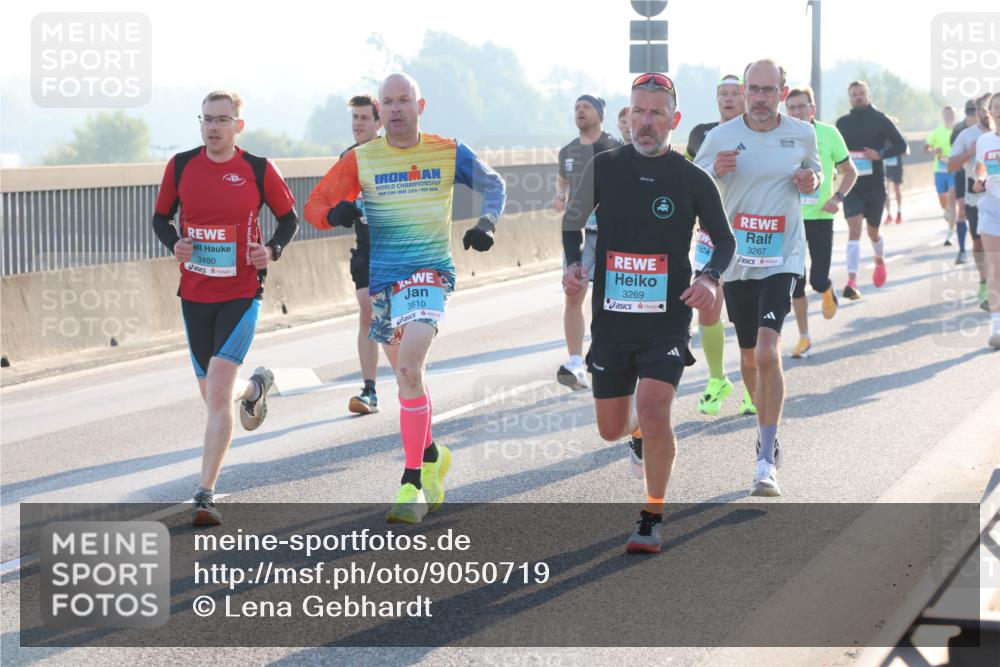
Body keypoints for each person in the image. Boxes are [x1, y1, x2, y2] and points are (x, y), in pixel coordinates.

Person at [305, 73, 506, 523]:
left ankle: (412, 482)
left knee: (411, 368)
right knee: (406, 378)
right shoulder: (362, 158)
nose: (395, 109)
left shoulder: (448, 150)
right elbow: (314, 207)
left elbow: (495, 185)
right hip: (384, 284)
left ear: (421, 105)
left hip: (429, 276)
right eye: (387, 102)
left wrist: (486, 223)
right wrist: (335, 212)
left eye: (403, 101)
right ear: (380, 110)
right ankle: (433, 456)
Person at [563, 72, 735, 553]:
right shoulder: (605, 168)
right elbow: (572, 221)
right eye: (638, 111)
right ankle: (635, 431)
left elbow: (725, 240)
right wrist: (573, 264)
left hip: (667, 320)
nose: (646, 121)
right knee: (610, 429)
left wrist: (708, 278)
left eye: (657, 113)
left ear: (674, 120)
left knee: (657, 410)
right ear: (628, 114)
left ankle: (651, 514)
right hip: (613, 322)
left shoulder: (692, 178)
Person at [151, 90, 299, 525]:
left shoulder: (257, 169)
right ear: (201, 124)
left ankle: (204, 494)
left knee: (216, 391)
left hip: (241, 290)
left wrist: (270, 251)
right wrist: (172, 242)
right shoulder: (180, 166)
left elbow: (289, 219)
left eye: (222, 119)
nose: (214, 127)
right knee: (215, 395)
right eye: (207, 119)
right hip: (194, 294)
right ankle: (255, 388)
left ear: (239, 125)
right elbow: (161, 218)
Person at [695, 59, 823, 497]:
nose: (761, 98)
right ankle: (766, 430)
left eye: (770, 90)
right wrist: (717, 171)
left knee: (769, 351)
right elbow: (693, 184)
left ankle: (765, 458)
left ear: (783, 92)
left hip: (783, 254)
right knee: (749, 358)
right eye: (754, 89)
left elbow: (816, 177)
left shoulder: (801, 133)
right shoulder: (720, 138)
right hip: (737, 258)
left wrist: (812, 179)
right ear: (744, 91)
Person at [684, 73, 752, 416]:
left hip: (753, 235)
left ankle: (754, 384)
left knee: (745, 315)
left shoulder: (758, 131)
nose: (728, 99)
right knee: (708, 306)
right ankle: (717, 378)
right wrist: (714, 170)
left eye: (733, 93)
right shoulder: (701, 134)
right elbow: (687, 176)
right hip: (713, 234)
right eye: (722, 94)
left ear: (745, 97)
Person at [552, 95, 623, 390]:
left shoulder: (616, 147)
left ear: (600, 114)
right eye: (577, 108)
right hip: (576, 231)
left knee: (611, 300)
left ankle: (612, 357)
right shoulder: (567, 150)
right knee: (573, 294)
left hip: (609, 234)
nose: (580, 111)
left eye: (587, 107)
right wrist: (560, 196)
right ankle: (575, 362)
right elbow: (563, 181)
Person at [785, 86, 858, 358]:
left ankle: (826, 289)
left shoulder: (828, 133)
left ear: (812, 109)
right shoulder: (780, 135)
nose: (796, 112)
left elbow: (850, 172)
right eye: (791, 108)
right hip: (790, 219)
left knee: (816, 279)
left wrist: (838, 197)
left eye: (802, 106)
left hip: (821, 217)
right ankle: (804, 337)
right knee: (795, 280)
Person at [835, 81, 908, 299]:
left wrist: (880, 153)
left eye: (861, 93)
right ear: (849, 98)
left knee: (873, 232)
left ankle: (879, 259)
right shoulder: (843, 123)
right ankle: (852, 281)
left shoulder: (880, 119)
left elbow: (901, 145)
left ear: (868, 95)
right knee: (854, 229)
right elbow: (833, 150)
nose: (857, 97)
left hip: (875, 185)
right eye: (853, 94)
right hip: (852, 185)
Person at [341, 94, 384, 415]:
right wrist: (337, 211)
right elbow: (328, 202)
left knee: (399, 319)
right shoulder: (348, 158)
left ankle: (411, 382)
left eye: (364, 118)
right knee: (367, 309)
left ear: (378, 122)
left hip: (399, 247)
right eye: (354, 118)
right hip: (366, 248)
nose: (358, 124)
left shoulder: (393, 153)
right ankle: (369, 390)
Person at [949, 94, 993, 308]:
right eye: (980, 110)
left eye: (987, 109)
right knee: (979, 243)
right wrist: (970, 152)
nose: (984, 114)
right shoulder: (967, 135)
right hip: (976, 198)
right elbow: (951, 166)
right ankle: (985, 282)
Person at [971, 92, 1000, 349]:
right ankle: (997, 326)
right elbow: (980, 167)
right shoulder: (984, 140)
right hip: (991, 209)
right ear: (989, 112)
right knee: (994, 266)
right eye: (997, 108)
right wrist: (979, 180)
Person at [926, 106, 959, 247]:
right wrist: (934, 150)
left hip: (954, 170)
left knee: (952, 199)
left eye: (951, 114)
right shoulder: (936, 132)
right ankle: (947, 212)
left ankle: (950, 234)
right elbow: (926, 148)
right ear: (942, 116)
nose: (948, 116)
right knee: (943, 202)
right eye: (946, 114)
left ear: (955, 116)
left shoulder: (958, 131)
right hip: (939, 171)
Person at [950, 100, 978, 264]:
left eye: (973, 112)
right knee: (962, 210)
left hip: (983, 176)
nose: (971, 116)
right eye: (968, 112)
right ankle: (961, 250)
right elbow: (954, 154)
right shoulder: (959, 130)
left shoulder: (987, 128)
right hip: (962, 174)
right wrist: (969, 152)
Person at [883, 116, 906, 225]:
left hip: (896, 165)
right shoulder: (882, 136)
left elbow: (906, 150)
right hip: (885, 165)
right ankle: (888, 214)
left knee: (897, 189)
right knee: (885, 191)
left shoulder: (899, 136)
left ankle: (899, 212)